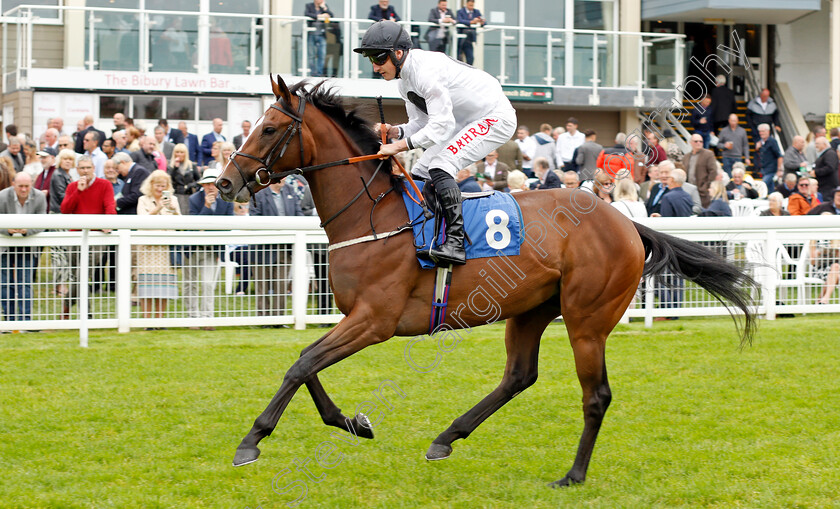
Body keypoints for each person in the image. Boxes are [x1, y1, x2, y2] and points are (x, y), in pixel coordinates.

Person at [355, 20, 517, 266]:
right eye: (370, 60)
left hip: (494, 117)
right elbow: (423, 124)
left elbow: (440, 127)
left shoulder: (425, 71)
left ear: (398, 53)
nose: (375, 67)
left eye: (378, 59)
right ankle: (430, 236)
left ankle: (456, 242)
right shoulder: (404, 82)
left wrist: (398, 146)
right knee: (419, 173)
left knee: (441, 166)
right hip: (460, 123)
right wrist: (395, 131)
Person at [59, 155, 117, 317]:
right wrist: (78, 191)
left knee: (84, 273)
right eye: (82, 168)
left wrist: (108, 224)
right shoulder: (72, 187)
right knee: (78, 275)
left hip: (96, 236)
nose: (85, 171)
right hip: (75, 236)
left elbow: (109, 206)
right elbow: (65, 209)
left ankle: (71, 306)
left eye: (88, 168)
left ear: (93, 169)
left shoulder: (104, 185)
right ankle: (85, 313)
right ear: (77, 170)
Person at [185, 168, 233, 330]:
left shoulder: (227, 200)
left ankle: (207, 318)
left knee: (207, 283)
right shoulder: (194, 199)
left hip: (212, 249)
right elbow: (193, 226)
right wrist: (206, 206)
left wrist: (208, 230)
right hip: (193, 248)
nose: (210, 187)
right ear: (203, 185)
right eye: (207, 184)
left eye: (213, 183)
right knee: (190, 283)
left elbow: (228, 226)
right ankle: (192, 318)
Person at [250, 179, 304, 318]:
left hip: (284, 248)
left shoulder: (290, 190)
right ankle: (263, 318)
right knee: (262, 285)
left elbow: (299, 214)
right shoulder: (259, 192)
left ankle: (279, 317)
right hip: (262, 249)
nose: (283, 179)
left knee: (281, 285)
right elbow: (254, 218)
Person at [136, 170, 181, 325]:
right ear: (151, 185)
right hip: (148, 249)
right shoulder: (143, 200)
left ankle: (160, 320)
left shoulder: (173, 199)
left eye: (163, 185)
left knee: (163, 286)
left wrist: (174, 209)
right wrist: (158, 208)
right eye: (157, 185)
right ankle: (147, 321)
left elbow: (180, 223)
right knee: (146, 286)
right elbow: (141, 222)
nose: (160, 189)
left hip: (165, 248)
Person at [0, 173, 47, 324]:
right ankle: (9, 319)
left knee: (25, 282)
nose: (24, 189)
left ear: (31, 184)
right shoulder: (2, 196)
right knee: (5, 282)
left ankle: (26, 320)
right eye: (20, 186)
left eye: (27, 186)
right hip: (6, 245)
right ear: (14, 184)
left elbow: (42, 222)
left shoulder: (39, 197)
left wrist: (27, 231)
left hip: (28, 245)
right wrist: (7, 230)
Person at [168, 143, 201, 215]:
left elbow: (199, 180)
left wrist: (191, 185)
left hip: (189, 195)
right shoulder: (170, 165)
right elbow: (168, 179)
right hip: (176, 195)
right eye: (177, 152)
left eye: (181, 152)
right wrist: (175, 168)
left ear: (185, 154)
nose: (179, 154)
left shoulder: (192, 165)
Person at [304, 0, 334, 77]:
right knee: (311, 55)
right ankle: (313, 73)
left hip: (321, 34)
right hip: (311, 33)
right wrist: (319, 16)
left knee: (322, 54)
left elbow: (331, 15)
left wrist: (324, 8)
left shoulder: (323, 7)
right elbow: (307, 14)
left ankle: (319, 73)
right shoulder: (309, 5)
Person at [755, 123, 783, 190]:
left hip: (771, 170)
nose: (761, 133)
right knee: (770, 189)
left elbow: (779, 156)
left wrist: (779, 170)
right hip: (763, 170)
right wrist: (757, 149)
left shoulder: (772, 141)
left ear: (768, 131)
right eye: (760, 131)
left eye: (763, 131)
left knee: (762, 186)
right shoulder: (760, 142)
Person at [456, 0, 484, 65]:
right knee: (458, 57)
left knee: (470, 58)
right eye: (470, 5)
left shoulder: (476, 12)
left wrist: (481, 22)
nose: (471, 7)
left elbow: (484, 22)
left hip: (469, 38)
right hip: (460, 38)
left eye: (472, 5)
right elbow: (459, 20)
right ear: (466, 4)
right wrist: (471, 22)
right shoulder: (460, 11)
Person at [812, 136, 839, 203]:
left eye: (817, 144)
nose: (816, 146)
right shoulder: (825, 154)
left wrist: (816, 172)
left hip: (828, 187)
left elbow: (830, 167)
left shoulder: (830, 153)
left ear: (824, 144)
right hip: (824, 186)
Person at [49, 149, 77, 214]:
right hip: (58, 212)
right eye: (65, 159)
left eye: (70, 159)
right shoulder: (58, 175)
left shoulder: (67, 175)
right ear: (60, 161)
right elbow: (62, 196)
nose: (68, 161)